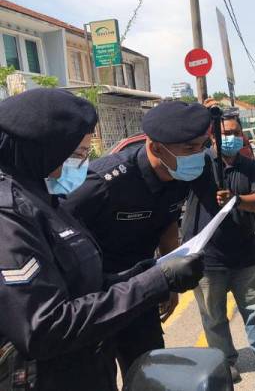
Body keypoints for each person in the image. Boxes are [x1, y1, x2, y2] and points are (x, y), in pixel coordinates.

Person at [0, 88, 204, 391]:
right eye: (78, 154)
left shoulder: (44, 199)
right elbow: (46, 327)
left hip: (90, 360)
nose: (84, 164)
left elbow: (80, 283)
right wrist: (151, 284)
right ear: (45, 150)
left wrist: (150, 274)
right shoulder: (10, 215)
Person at [61, 100, 212, 379]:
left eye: (203, 146)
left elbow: (167, 224)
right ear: (156, 148)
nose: (199, 155)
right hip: (96, 299)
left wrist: (169, 283)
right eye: (190, 148)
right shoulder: (104, 181)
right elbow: (55, 227)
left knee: (150, 371)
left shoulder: (179, 174)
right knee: (96, 376)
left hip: (141, 291)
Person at [182, 113, 255, 383]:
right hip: (208, 258)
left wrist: (236, 200)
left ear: (243, 135)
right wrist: (199, 114)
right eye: (224, 133)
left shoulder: (249, 167)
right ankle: (224, 362)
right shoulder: (198, 165)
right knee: (213, 317)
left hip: (246, 256)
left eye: (235, 132)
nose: (230, 138)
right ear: (212, 137)